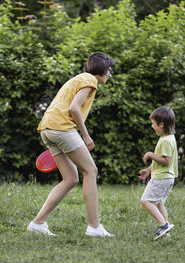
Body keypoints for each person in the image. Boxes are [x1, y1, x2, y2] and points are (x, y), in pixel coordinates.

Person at [27, 52, 115, 237]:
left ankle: (38, 224)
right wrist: (85, 135)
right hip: (62, 128)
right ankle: (94, 227)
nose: (110, 74)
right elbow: (74, 108)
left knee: (71, 178)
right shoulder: (90, 80)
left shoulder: (78, 78)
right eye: (109, 70)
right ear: (101, 68)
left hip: (47, 128)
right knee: (91, 171)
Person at [139, 106, 178, 241]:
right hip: (167, 178)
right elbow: (161, 160)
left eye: (153, 124)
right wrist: (149, 170)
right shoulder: (169, 138)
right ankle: (165, 231)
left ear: (161, 124)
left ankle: (163, 225)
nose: (152, 126)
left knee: (145, 201)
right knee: (159, 203)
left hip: (161, 179)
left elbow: (165, 161)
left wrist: (150, 154)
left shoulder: (166, 141)